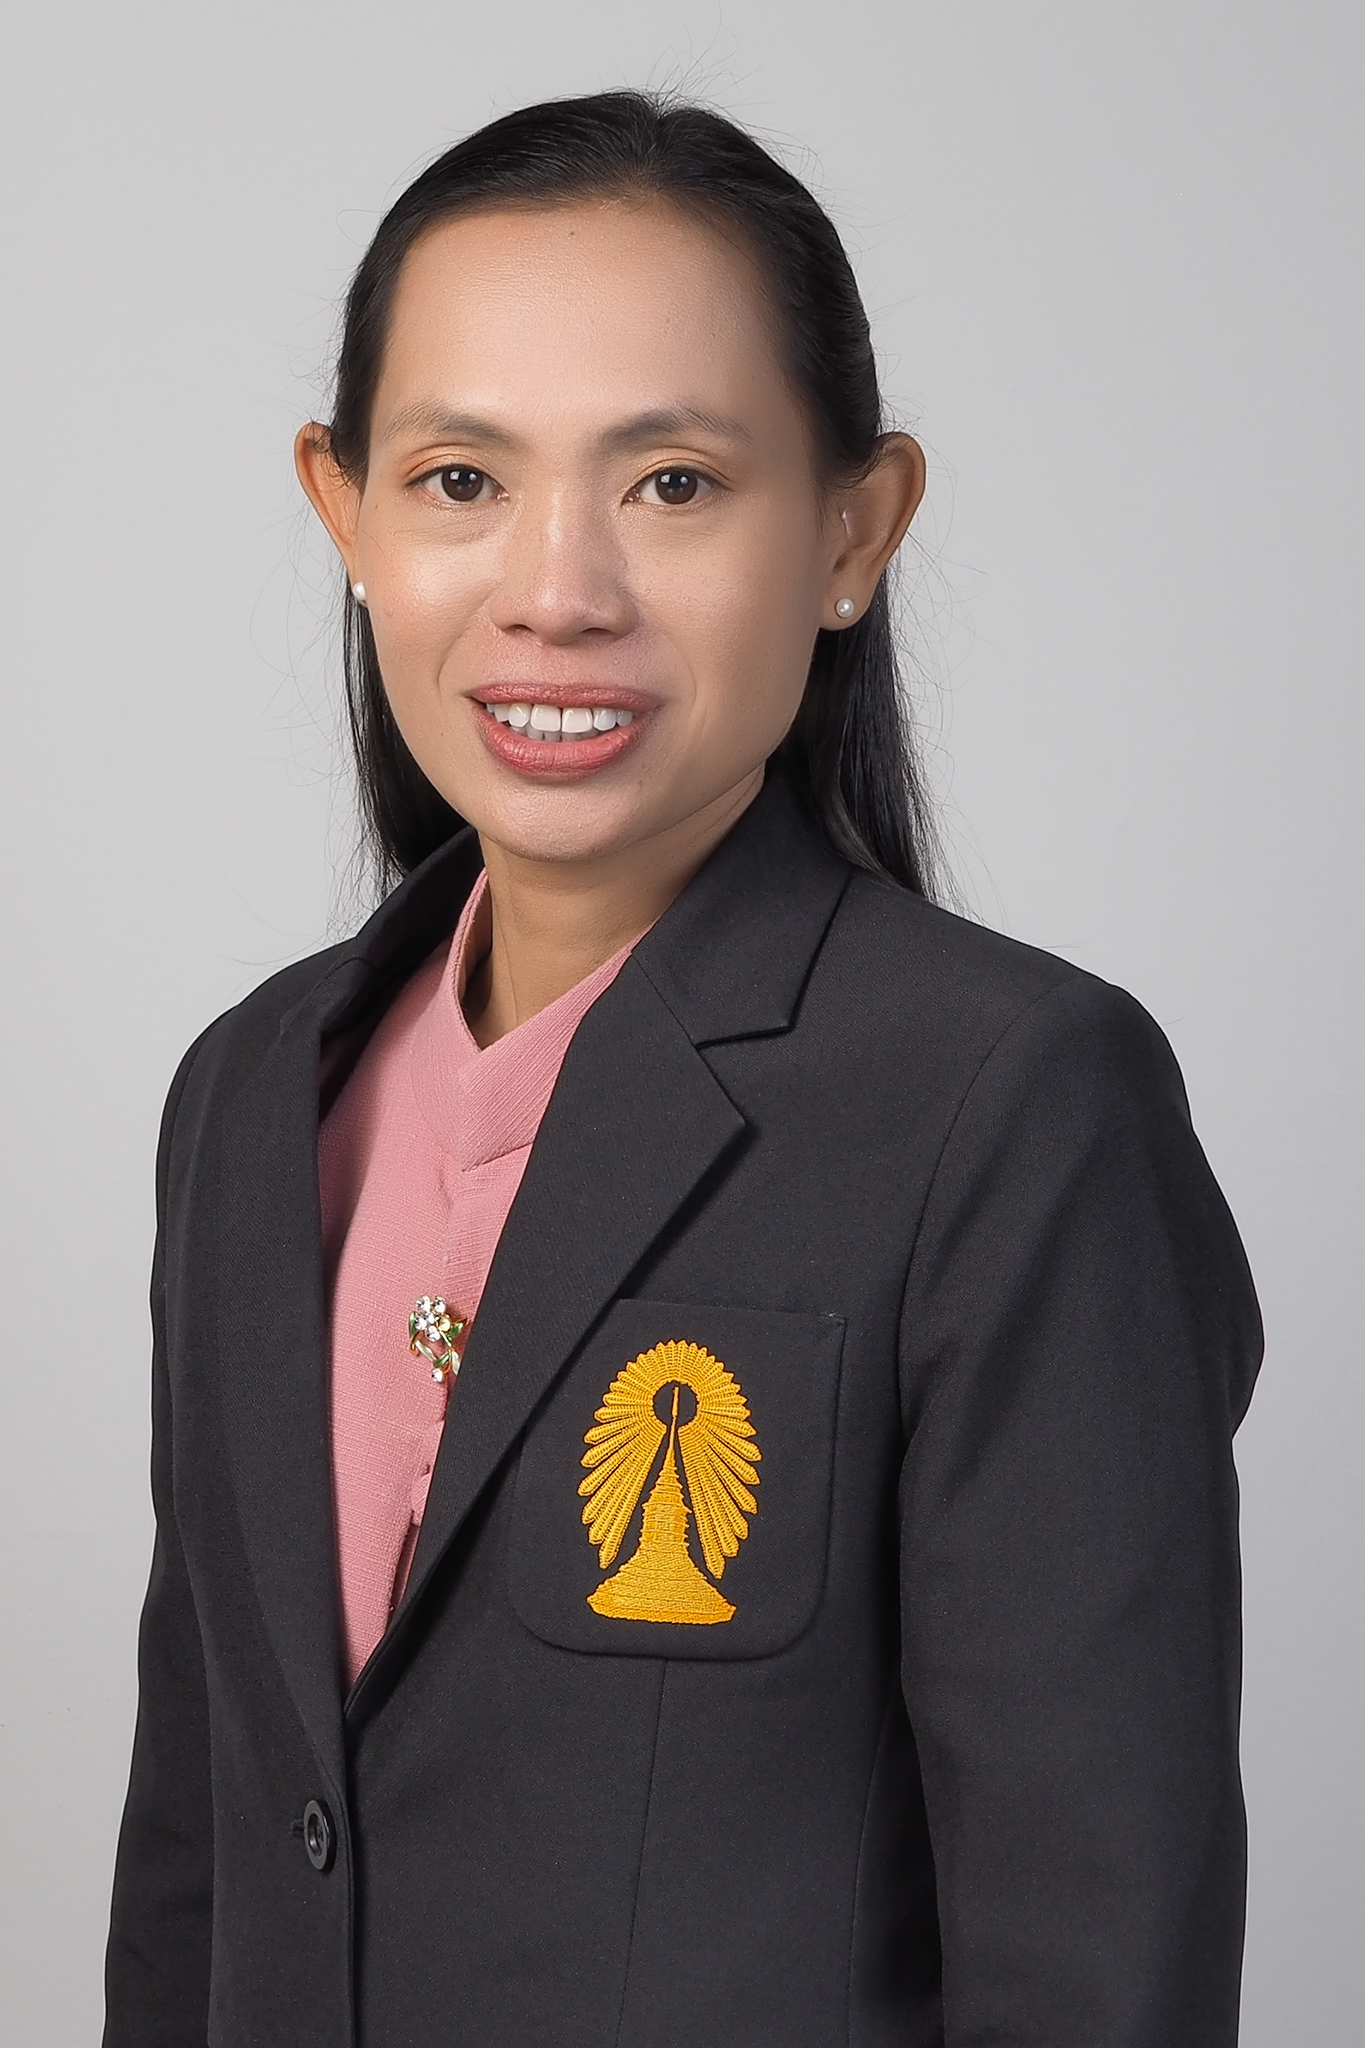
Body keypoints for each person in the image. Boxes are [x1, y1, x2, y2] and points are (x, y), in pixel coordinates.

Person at [103, 90, 1261, 2048]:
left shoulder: (1009, 1103)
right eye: (458, 478)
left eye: (669, 482)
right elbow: (199, 1864)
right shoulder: (246, 1093)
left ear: (850, 531)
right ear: (344, 513)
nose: (556, 586)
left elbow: (1096, 1953)